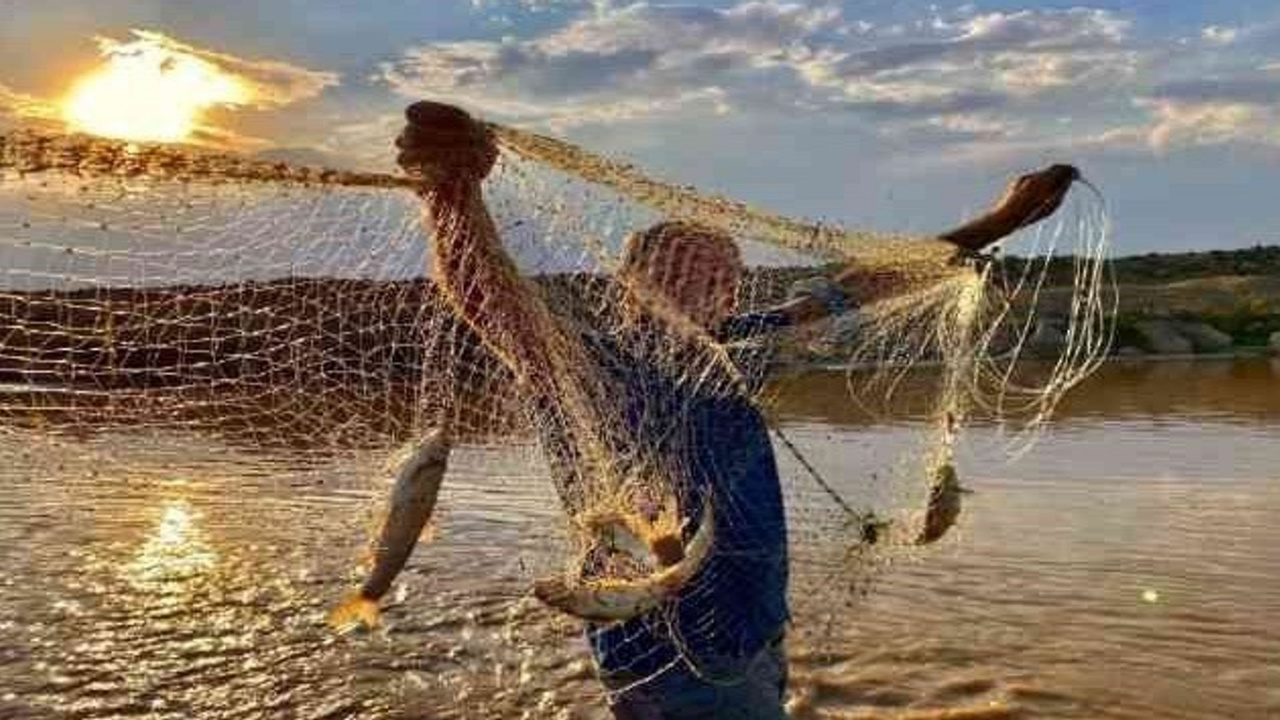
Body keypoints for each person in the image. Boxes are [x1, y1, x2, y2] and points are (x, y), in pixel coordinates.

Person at [394, 100, 1076, 719]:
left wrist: (998, 223)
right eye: (681, 271)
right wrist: (451, 195)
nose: (708, 286)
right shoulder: (586, 365)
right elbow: (490, 299)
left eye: (724, 275)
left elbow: (860, 286)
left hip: (753, 630)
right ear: (628, 287)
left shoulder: (737, 348)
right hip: (666, 654)